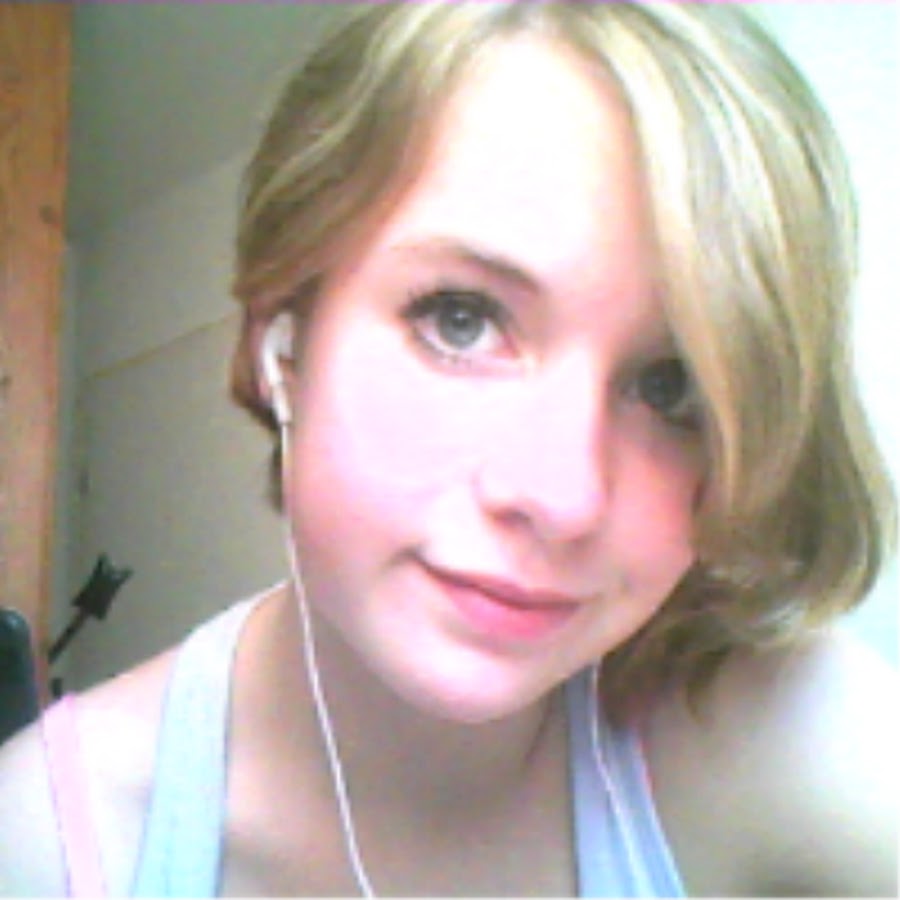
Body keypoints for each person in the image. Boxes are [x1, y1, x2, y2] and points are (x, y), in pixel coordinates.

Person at [1, 2, 897, 895]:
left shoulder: (783, 738)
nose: (566, 499)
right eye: (461, 320)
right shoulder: (47, 842)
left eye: (673, 387)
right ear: (281, 347)